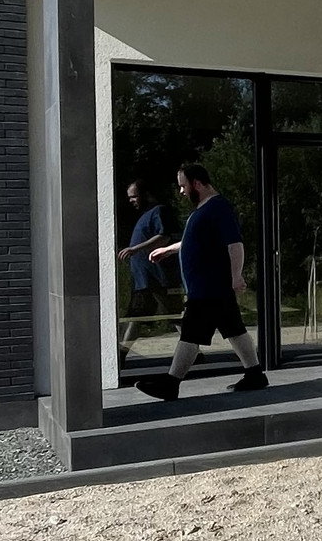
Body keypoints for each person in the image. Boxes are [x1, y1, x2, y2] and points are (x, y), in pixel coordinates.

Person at [137, 163, 268, 400]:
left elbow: (235, 244)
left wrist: (236, 276)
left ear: (196, 183)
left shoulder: (218, 207)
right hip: (210, 288)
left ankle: (171, 384)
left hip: (209, 288)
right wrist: (168, 250)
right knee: (235, 330)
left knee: (191, 333)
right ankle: (255, 374)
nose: (181, 191)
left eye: (183, 186)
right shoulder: (203, 210)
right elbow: (194, 241)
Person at [115, 179, 170, 348]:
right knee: (140, 315)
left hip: (153, 277)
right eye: (129, 198)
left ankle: (121, 354)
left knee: (138, 316)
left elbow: (164, 236)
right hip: (142, 279)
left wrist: (135, 249)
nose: (131, 201)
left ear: (146, 194)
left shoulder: (158, 212)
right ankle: (192, 352)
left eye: (134, 196)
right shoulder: (145, 216)